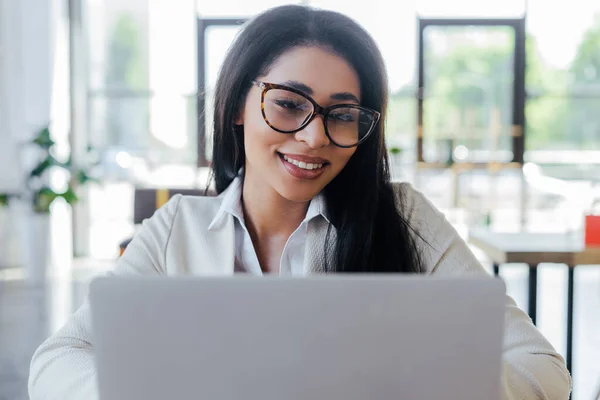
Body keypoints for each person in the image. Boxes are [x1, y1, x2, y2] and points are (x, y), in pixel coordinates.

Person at [29, 5, 571, 400]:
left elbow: (542, 366)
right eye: (288, 105)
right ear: (237, 106)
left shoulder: (402, 217)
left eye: (341, 114)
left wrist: (432, 384)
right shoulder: (177, 230)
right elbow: (57, 360)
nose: (313, 138)